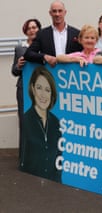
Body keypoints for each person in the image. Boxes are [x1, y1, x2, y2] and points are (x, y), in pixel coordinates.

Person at [20, 66, 62, 182]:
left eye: (47, 90)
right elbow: (23, 160)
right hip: (31, 186)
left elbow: (59, 160)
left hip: (55, 188)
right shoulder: (26, 120)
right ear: (33, 89)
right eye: (39, 88)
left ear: (52, 94)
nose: (43, 95)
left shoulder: (56, 122)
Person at [11, 18, 42, 159]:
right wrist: (19, 65)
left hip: (41, 90)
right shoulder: (20, 48)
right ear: (26, 31)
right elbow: (14, 72)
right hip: (23, 89)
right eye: (29, 28)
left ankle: (41, 156)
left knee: (41, 122)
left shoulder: (45, 47)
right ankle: (25, 157)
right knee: (25, 122)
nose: (32, 30)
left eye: (34, 27)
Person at [24, 0, 82, 67]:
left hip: (71, 74)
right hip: (50, 74)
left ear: (65, 12)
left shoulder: (76, 33)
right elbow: (28, 54)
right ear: (50, 13)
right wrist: (44, 57)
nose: (57, 14)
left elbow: (85, 53)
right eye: (54, 11)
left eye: (60, 11)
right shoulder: (42, 34)